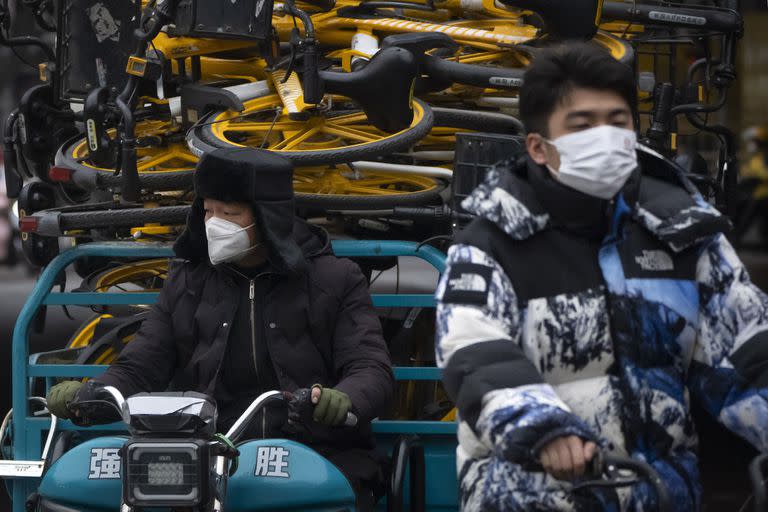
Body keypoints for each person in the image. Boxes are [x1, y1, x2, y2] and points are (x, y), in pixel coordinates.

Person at [436, 42, 768, 511]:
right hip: (531, 495)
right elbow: (475, 352)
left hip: (660, 495)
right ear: (538, 147)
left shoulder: (681, 231)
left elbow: (748, 351)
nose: (605, 136)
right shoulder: (490, 241)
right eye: (583, 125)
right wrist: (544, 429)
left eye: (618, 121)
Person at [47, 148, 395, 509]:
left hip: (316, 451)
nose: (215, 223)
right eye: (208, 210)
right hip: (209, 457)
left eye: (230, 213)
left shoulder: (336, 279)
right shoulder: (188, 280)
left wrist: (341, 400)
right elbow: (141, 363)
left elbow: (370, 367)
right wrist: (94, 394)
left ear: (269, 216)